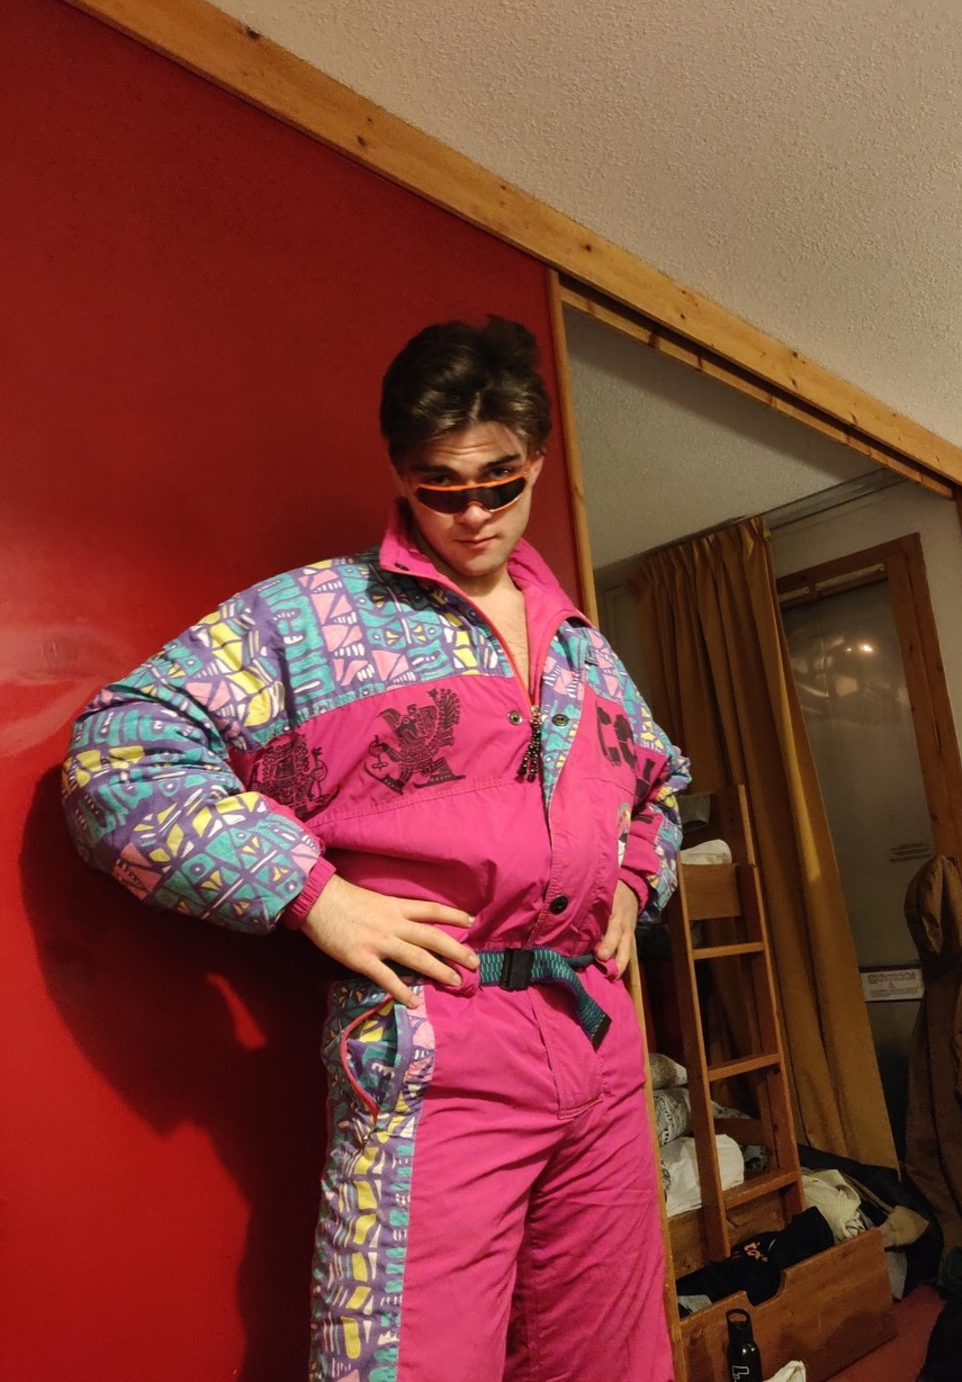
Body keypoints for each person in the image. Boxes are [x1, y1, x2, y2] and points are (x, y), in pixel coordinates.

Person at [62, 316, 691, 1382]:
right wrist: (312, 895)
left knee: (612, 1357)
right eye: (442, 487)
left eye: (500, 482)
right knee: (404, 1362)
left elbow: (660, 779)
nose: (475, 513)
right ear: (400, 474)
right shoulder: (317, 618)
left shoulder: (582, 645)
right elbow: (117, 753)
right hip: (433, 1037)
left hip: (596, 1037)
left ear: (538, 461)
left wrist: (635, 878)